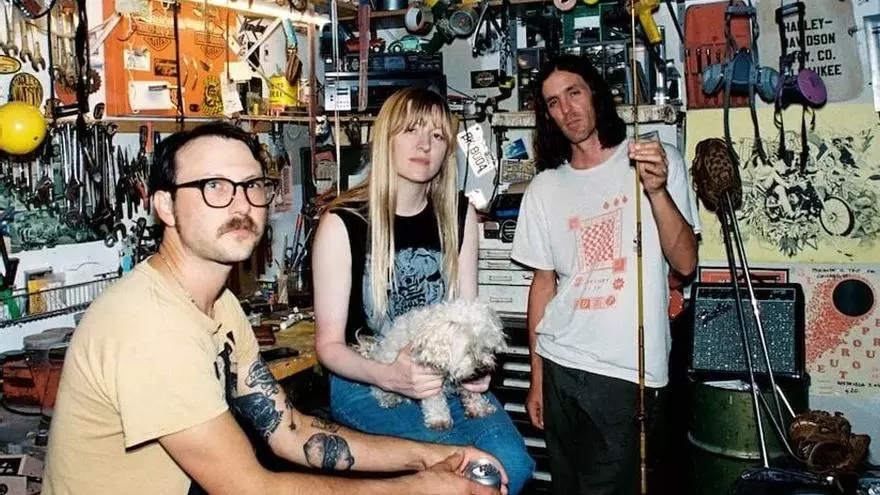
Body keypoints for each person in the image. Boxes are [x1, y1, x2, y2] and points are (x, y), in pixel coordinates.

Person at [43, 121, 508, 495]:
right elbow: (249, 487)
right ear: (165, 206)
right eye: (213, 186)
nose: (240, 204)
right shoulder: (149, 327)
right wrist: (421, 486)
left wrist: (432, 456)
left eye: (251, 185)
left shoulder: (219, 305)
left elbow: (293, 432)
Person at [312, 87, 535, 494]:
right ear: (386, 139)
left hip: (445, 378)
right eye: (411, 130)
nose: (424, 145)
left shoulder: (459, 213)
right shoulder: (342, 222)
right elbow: (328, 347)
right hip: (366, 381)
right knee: (458, 476)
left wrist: (478, 369)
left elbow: (470, 315)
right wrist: (389, 376)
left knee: (512, 466)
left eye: (436, 135)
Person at [510, 54, 700, 494]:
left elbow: (686, 263)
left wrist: (656, 191)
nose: (567, 109)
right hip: (560, 366)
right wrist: (537, 378)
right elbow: (543, 286)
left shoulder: (654, 160)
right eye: (553, 103)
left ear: (595, 94)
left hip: (626, 375)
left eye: (574, 93)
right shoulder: (544, 188)